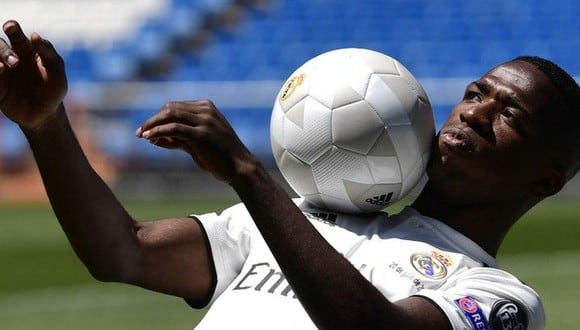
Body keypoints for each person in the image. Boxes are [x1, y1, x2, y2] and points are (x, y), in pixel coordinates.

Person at [0, 19, 578, 329]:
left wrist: (250, 175)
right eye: (477, 92)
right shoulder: (307, 215)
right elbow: (121, 252)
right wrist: (46, 125)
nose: (475, 112)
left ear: (546, 181)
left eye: (509, 114)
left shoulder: (500, 301)